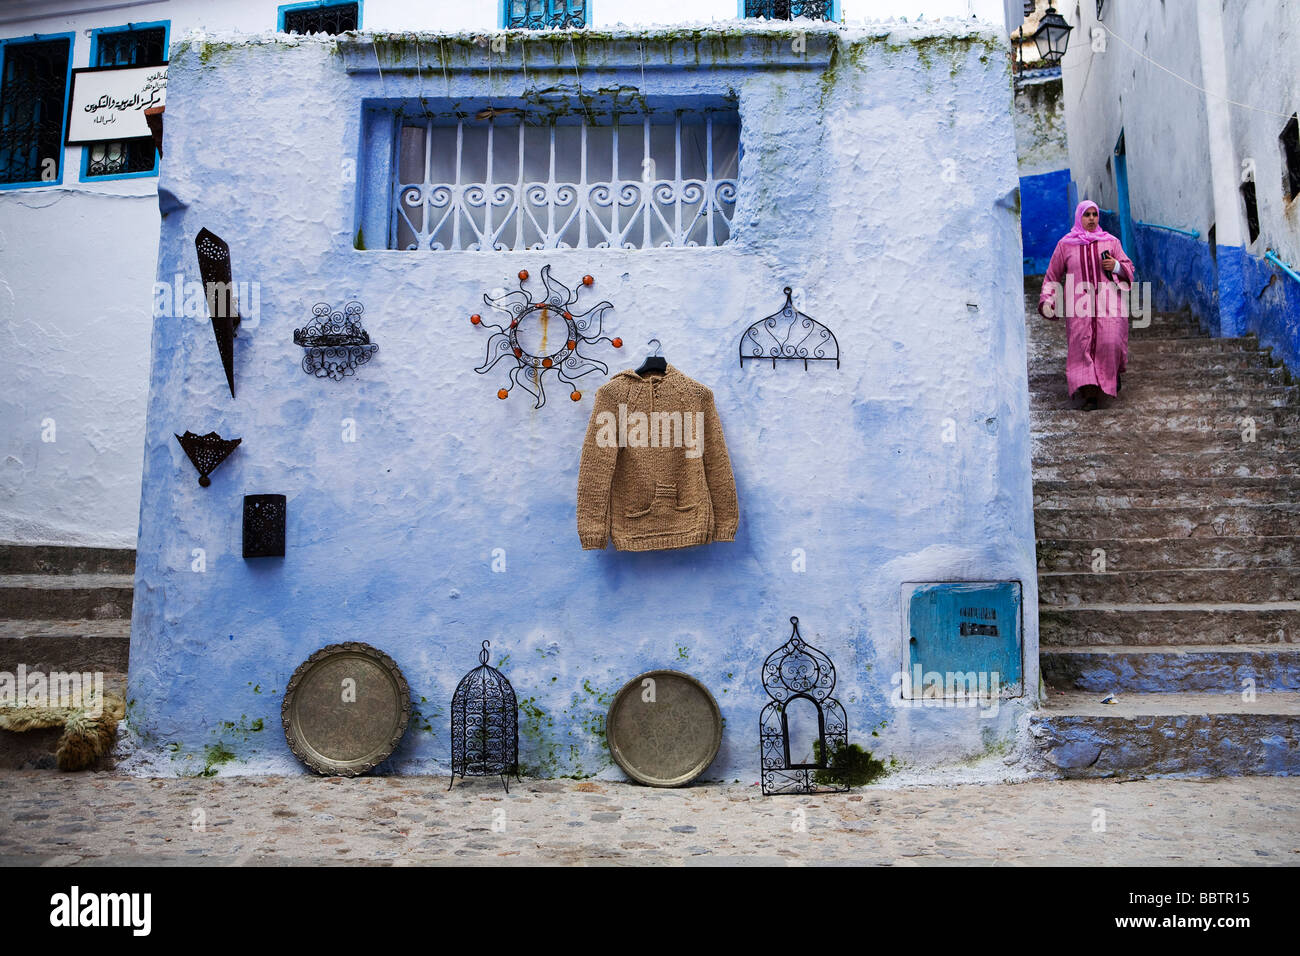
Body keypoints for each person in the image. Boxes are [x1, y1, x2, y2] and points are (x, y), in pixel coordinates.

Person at [1037, 200, 1135, 411]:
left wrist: (1116, 266)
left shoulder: (1111, 242)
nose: (1091, 218)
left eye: (1095, 214)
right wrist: (1048, 299)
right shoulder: (1066, 244)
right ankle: (1090, 395)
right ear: (1079, 217)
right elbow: (1052, 275)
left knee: (1111, 341)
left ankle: (1112, 373)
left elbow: (1129, 268)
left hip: (1109, 303)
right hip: (1079, 305)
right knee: (1083, 347)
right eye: (1087, 215)